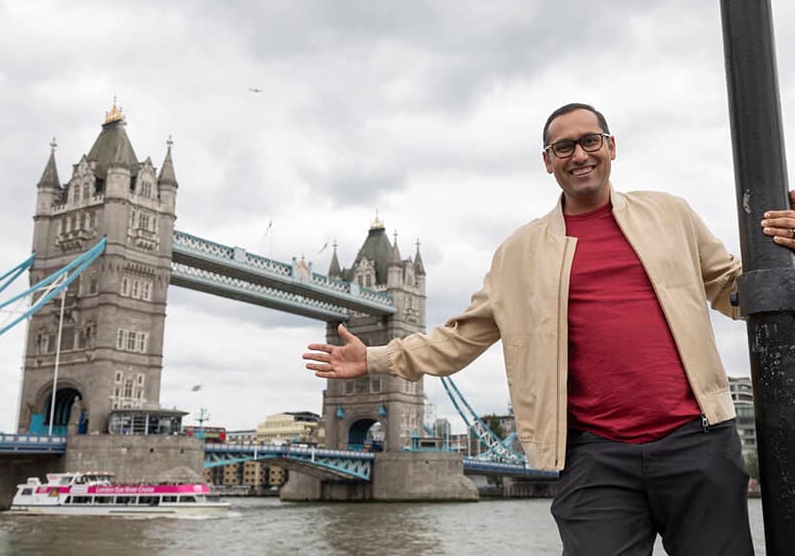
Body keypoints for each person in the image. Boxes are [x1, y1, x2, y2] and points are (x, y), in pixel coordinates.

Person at [302, 103, 795, 555]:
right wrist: (374, 357)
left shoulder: (672, 214)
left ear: (611, 147)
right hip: (595, 455)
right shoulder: (518, 252)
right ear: (548, 161)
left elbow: (734, 290)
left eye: (590, 141)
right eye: (564, 147)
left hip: (698, 440)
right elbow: (459, 337)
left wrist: (787, 260)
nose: (579, 155)